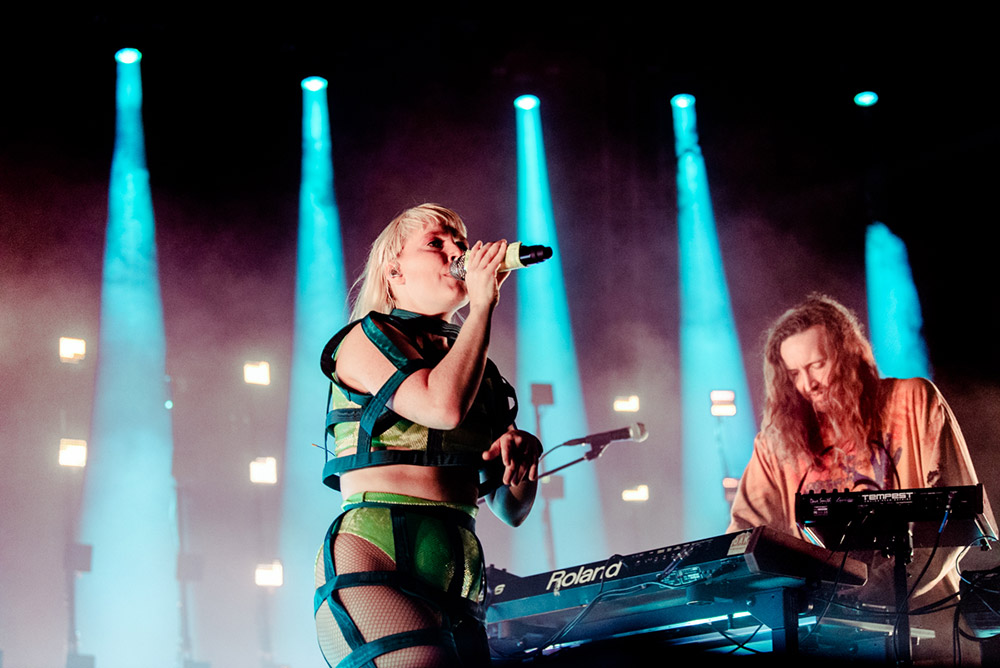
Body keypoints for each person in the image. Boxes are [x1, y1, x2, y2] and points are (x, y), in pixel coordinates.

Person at [313, 204, 541, 668]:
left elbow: (511, 508)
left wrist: (522, 457)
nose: (457, 250)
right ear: (393, 270)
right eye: (436, 243)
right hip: (375, 553)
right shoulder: (365, 336)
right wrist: (482, 307)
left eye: (459, 240)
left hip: (459, 562)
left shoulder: (481, 370)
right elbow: (441, 406)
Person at [728, 294, 994, 660]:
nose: (809, 384)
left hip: (930, 642)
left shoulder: (912, 401)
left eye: (818, 364)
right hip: (829, 644)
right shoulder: (777, 444)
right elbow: (744, 539)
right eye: (794, 374)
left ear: (850, 354)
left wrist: (875, 587)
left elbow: (957, 521)